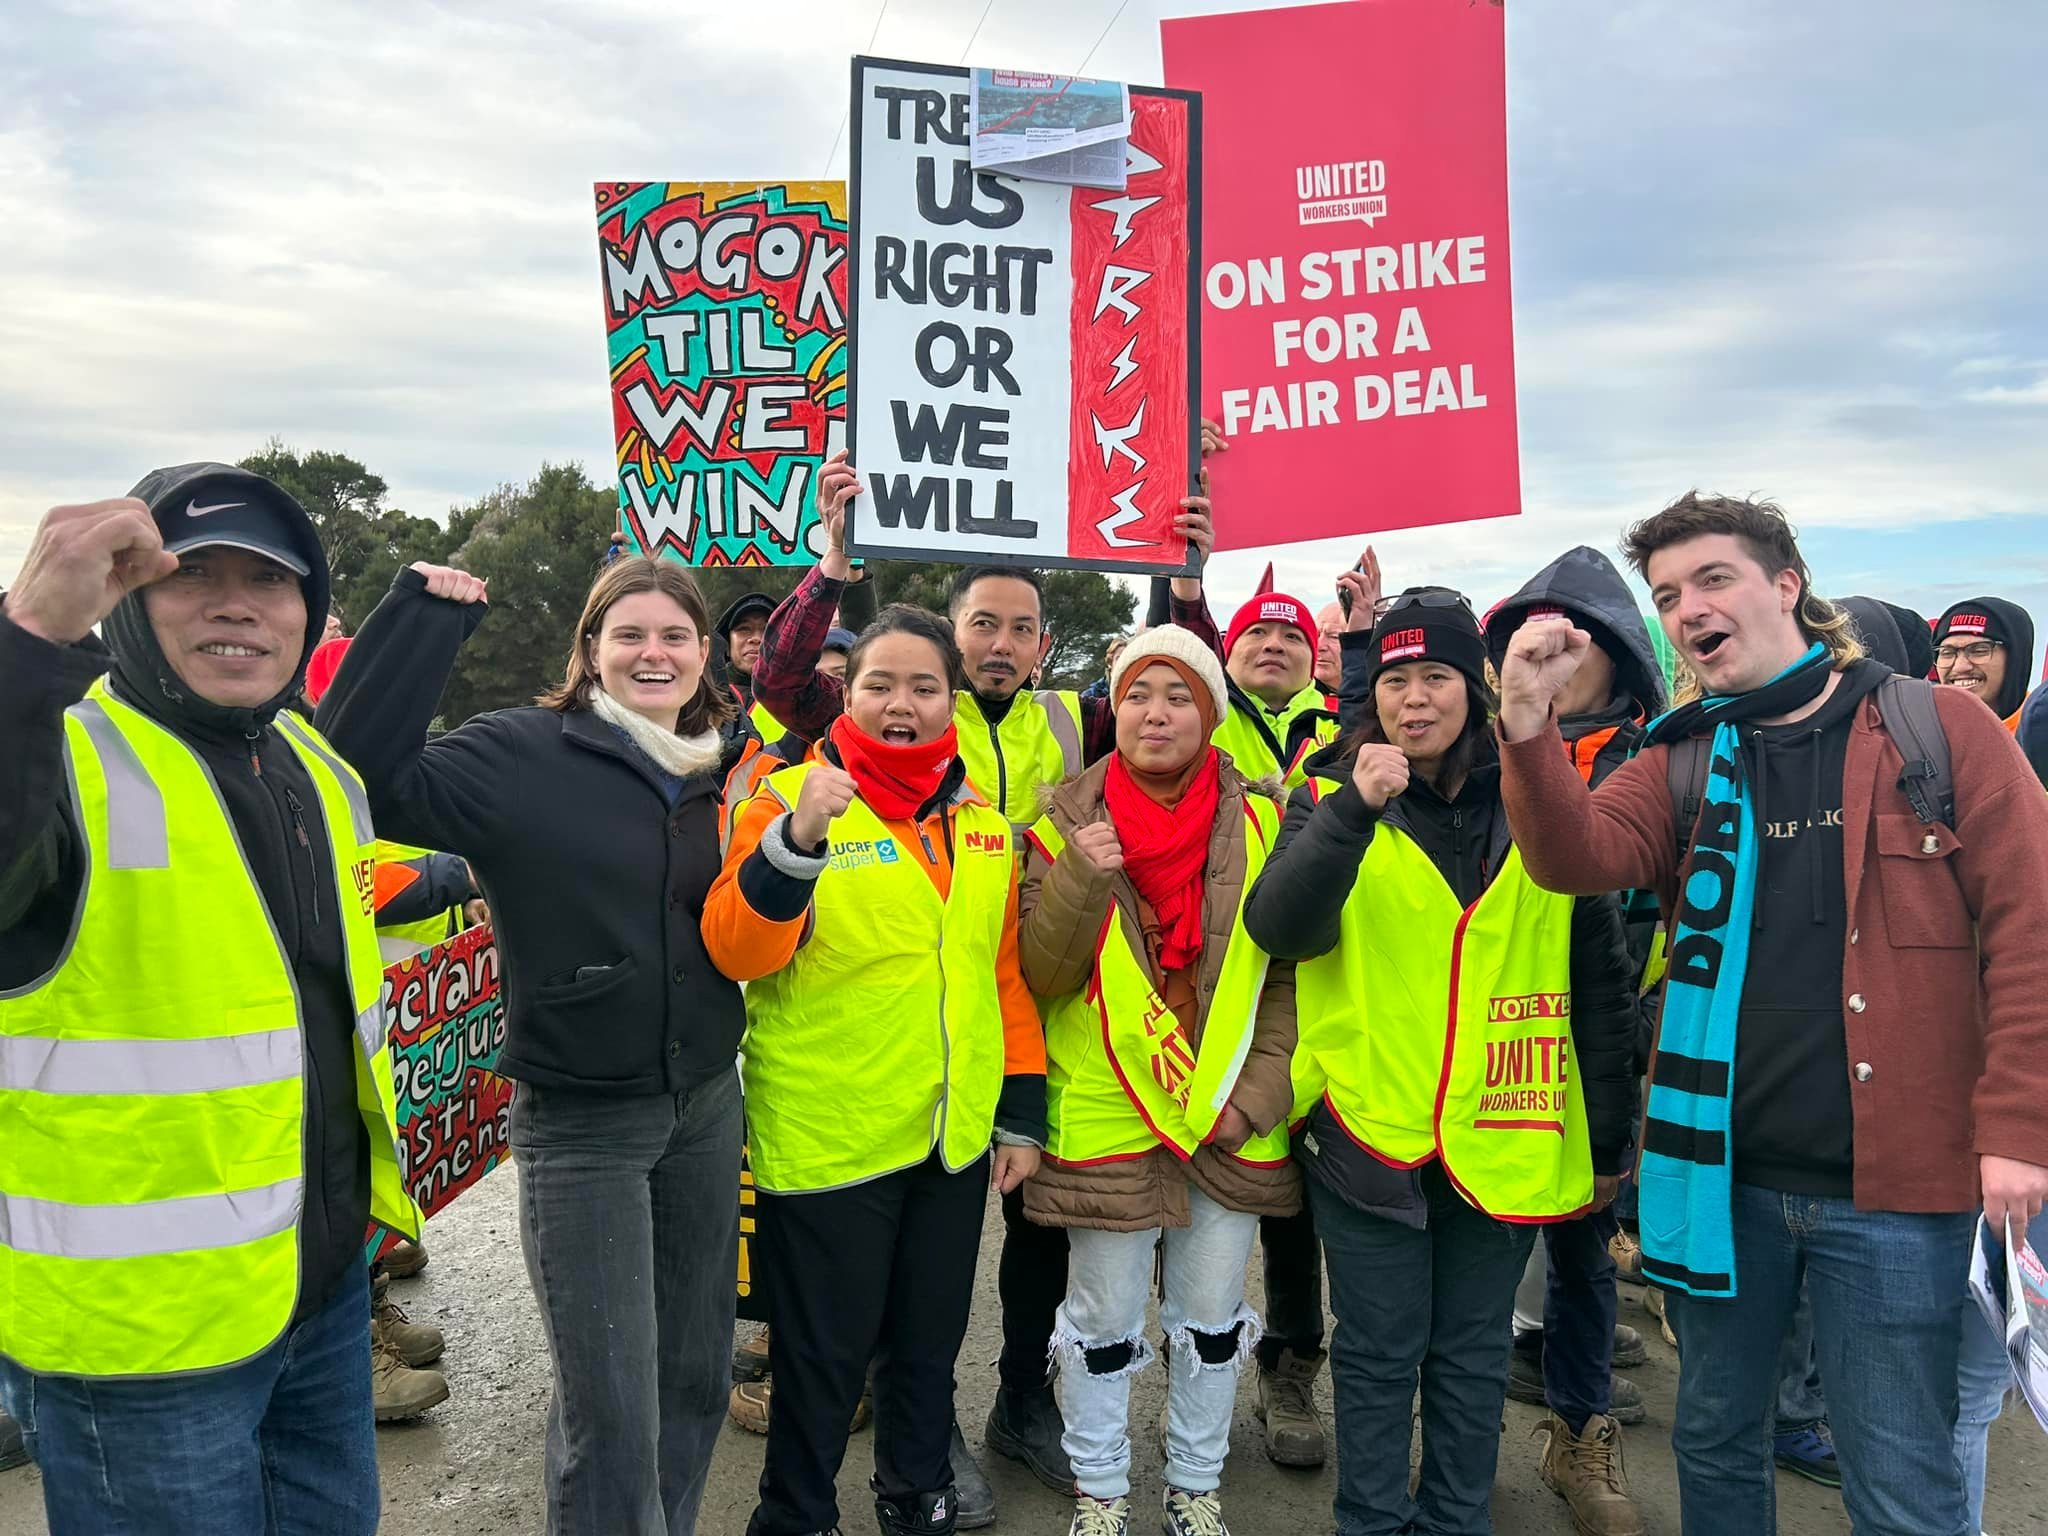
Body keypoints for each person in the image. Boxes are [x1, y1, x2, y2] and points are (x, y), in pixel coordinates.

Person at [1493, 491, 2048, 1536]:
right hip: (1720, 1182)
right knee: (1710, 1443)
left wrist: (2020, 1131)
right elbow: (1574, 857)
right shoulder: (1681, 752)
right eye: (1664, 594)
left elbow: (2030, 936)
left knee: (1898, 1472)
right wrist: (1525, 721)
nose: (1684, 607)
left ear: (1786, 585)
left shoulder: (1942, 730)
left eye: (1712, 579)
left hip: (1898, 1196)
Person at [749, 449, 1222, 1503]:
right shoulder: (905, 701)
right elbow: (779, 684)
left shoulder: (1069, 717)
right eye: (982, 625)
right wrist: (832, 564)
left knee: (1035, 1233)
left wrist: (1181, 588)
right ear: (950, 635)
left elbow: (1180, 703)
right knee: (913, 1262)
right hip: (920, 1001)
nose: (1000, 644)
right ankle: (923, 1434)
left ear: (1043, 643)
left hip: (1038, 995)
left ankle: (1018, 1400)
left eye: (1020, 628)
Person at [0, 468, 423, 1535]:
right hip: (142, 1340)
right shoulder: (60, 749)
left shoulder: (314, 766)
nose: (237, 604)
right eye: (193, 576)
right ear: (125, 598)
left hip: (314, 1292)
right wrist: (27, 638)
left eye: (270, 582)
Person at [318, 555, 744, 1536]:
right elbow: (356, 777)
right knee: (613, 1411)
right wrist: (425, 621)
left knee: (691, 1378)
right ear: (588, 651)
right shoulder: (521, 751)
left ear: (702, 653)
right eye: (627, 633)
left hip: (704, 1107)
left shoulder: (719, 763)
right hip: (584, 1124)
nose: (653, 651)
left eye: (674, 634)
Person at [1244, 588, 1639, 1536]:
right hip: (1369, 1133)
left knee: (1466, 1357)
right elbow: (1277, 927)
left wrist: (1609, 1146)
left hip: (1507, 1129)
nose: (1413, 700)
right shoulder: (1333, 796)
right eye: (1392, 680)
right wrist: (1349, 814)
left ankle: (1456, 1521)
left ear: (1476, 685)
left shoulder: (1543, 802)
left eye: (1434, 678)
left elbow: (1601, 986)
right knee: (1378, 1354)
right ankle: (1372, 1523)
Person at [704, 604, 1047, 1536]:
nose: (904, 705)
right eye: (881, 685)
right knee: (821, 1359)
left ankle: (915, 1496)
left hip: (949, 1140)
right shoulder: (786, 798)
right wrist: (798, 846)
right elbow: (737, 950)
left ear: (952, 701)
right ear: (846, 696)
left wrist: (1020, 1115)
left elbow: (999, 977)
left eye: (925, 687)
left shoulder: (982, 824)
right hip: (832, 1139)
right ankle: (796, 1515)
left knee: (929, 1347)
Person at [1017, 626, 1300, 1536]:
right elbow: (1041, 975)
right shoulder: (1059, 823)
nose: (1156, 713)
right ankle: (1100, 1493)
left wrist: (1255, 1098)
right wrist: (1079, 883)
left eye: (1179, 695)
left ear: (1210, 711)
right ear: (1115, 707)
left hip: (1227, 1112)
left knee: (1212, 1315)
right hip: (1107, 1108)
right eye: (1139, 692)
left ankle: (1195, 1484)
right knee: (1099, 1319)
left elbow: (1294, 984)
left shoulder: (1264, 822)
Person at [1471, 545, 1672, 1533]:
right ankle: (1459, 1437)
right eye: (1522, 639)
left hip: (1604, 1034)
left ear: (1618, 653)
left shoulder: (1662, 754)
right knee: (1477, 1250)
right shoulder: (1480, 749)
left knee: (1584, 1242)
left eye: (1571, 640)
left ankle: (1580, 1433)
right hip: (1493, 1039)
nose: (1547, 655)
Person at [1211, 590, 1339, 787]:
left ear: (1312, 661)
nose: (1274, 645)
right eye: (1258, 632)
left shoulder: (1346, 724)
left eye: (1292, 636)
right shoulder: (1203, 712)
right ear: (1228, 651)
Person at [1934, 597, 2036, 729]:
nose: (1960, 667)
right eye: (1947, 653)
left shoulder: (2039, 733)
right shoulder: (1919, 735)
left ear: (2015, 659)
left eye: (1979, 651)